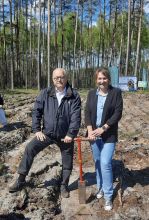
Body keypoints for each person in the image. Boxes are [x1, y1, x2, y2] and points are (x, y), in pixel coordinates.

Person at [9, 68, 81, 198]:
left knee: (67, 161)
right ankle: (20, 180)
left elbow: (76, 117)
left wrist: (71, 134)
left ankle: (64, 186)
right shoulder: (45, 93)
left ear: (66, 78)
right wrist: (37, 130)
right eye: (56, 78)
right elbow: (36, 112)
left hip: (65, 136)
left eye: (62, 77)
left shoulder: (73, 95)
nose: (59, 80)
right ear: (52, 79)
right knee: (30, 148)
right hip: (47, 134)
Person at [85, 67, 123, 211]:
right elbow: (87, 112)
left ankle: (108, 195)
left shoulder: (116, 93)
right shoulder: (91, 94)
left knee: (106, 163)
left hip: (109, 135)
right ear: (96, 80)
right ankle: (100, 188)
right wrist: (90, 130)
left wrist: (104, 128)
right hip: (94, 136)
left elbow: (118, 113)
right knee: (98, 162)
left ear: (109, 79)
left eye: (104, 78)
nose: (102, 81)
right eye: (99, 79)